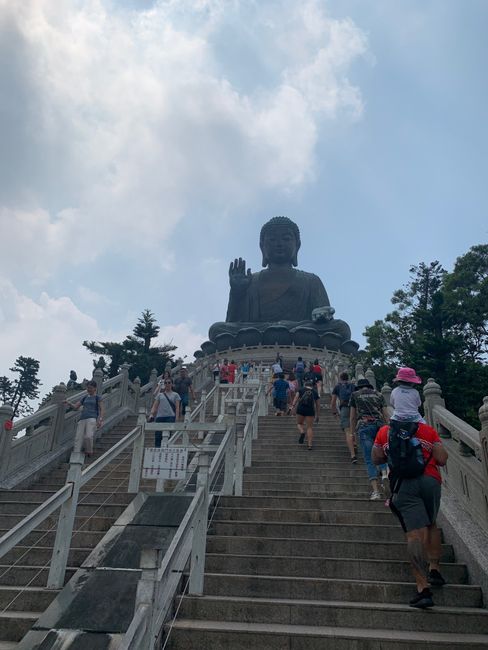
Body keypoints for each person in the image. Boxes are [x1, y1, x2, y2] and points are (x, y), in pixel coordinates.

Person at [372, 420, 448, 608]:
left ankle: (423, 588)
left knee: (414, 534)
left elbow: (376, 458)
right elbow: (443, 459)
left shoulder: (385, 431)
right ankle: (435, 569)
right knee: (431, 524)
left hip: (404, 484)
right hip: (431, 480)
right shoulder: (428, 430)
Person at [349, 378, 389, 500]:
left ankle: (376, 491)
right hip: (380, 427)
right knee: (382, 454)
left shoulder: (355, 395)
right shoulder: (379, 394)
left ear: (359, 387)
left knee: (369, 458)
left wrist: (352, 433)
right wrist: (388, 428)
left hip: (364, 426)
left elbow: (352, 416)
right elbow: (386, 413)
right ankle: (385, 474)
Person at [66, 380, 104, 457]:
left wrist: (100, 420)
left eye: (90, 388)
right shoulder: (84, 397)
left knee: (88, 436)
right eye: (88, 388)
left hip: (92, 419)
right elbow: (76, 407)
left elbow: (102, 409)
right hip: (82, 419)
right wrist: (68, 403)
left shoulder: (97, 398)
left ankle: (89, 451)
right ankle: (76, 454)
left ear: (95, 388)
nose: (88, 389)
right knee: (78, 438)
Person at [331, 372, 357, 462]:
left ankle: (353, 455)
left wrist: (334, 412)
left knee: (347, 431)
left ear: (340, 378)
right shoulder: (353, 386)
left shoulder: (337, 387)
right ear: (348, 378)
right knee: (354, 428)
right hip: (354, 408)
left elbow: (333, 401)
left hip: (344, 408)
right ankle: (355, 442)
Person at [148, 378, 181, 447]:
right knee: (158, 436)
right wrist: (151, 414)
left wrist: (177, 418)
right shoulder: (160, 395)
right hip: (160, 417)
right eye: (166, 383)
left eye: (169, 382)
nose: (167, 384)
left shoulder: (176, 395)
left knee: (167, 435)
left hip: (170, 417)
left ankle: (166, 450)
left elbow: (177, 408)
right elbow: (155, 406)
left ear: (172, 384)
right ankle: (157, 450)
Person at [291, 380, 319, 450]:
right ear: (311, 386)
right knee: (309, 427)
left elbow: (296, 398)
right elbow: (318, 404)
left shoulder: (301, 390)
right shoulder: (315, 392)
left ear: (305, 385)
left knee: (299, 423)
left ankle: (302, 432)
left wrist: (293, 406)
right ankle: (310, 445)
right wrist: (317, 415)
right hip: (310, 410)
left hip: (301, 409)